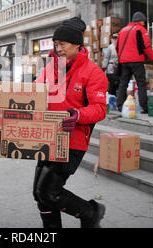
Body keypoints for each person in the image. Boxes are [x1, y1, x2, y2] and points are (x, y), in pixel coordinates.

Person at [33, 17, 108, 228]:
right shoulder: (50, 68)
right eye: (56, 44)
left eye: (63, 44)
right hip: (47, 137)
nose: (58, 49)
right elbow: (35, 93)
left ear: (77, 44)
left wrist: (77, 115)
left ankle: (91, 213)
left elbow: (100, 108)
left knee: (48, 192)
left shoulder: (93, 73)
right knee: (40, 195)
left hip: (71, 141)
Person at [115, 12, 153, 114]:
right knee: (141, 84)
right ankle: (145, 107)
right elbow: (146, 46)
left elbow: (117, 47)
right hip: (137, 61)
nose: (144, 23)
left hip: (124, 62)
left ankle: (120, 105)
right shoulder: (140, 30)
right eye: (143, 21)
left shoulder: (122, 31)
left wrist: (123, 58)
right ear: (140, 21)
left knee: (123, 84)